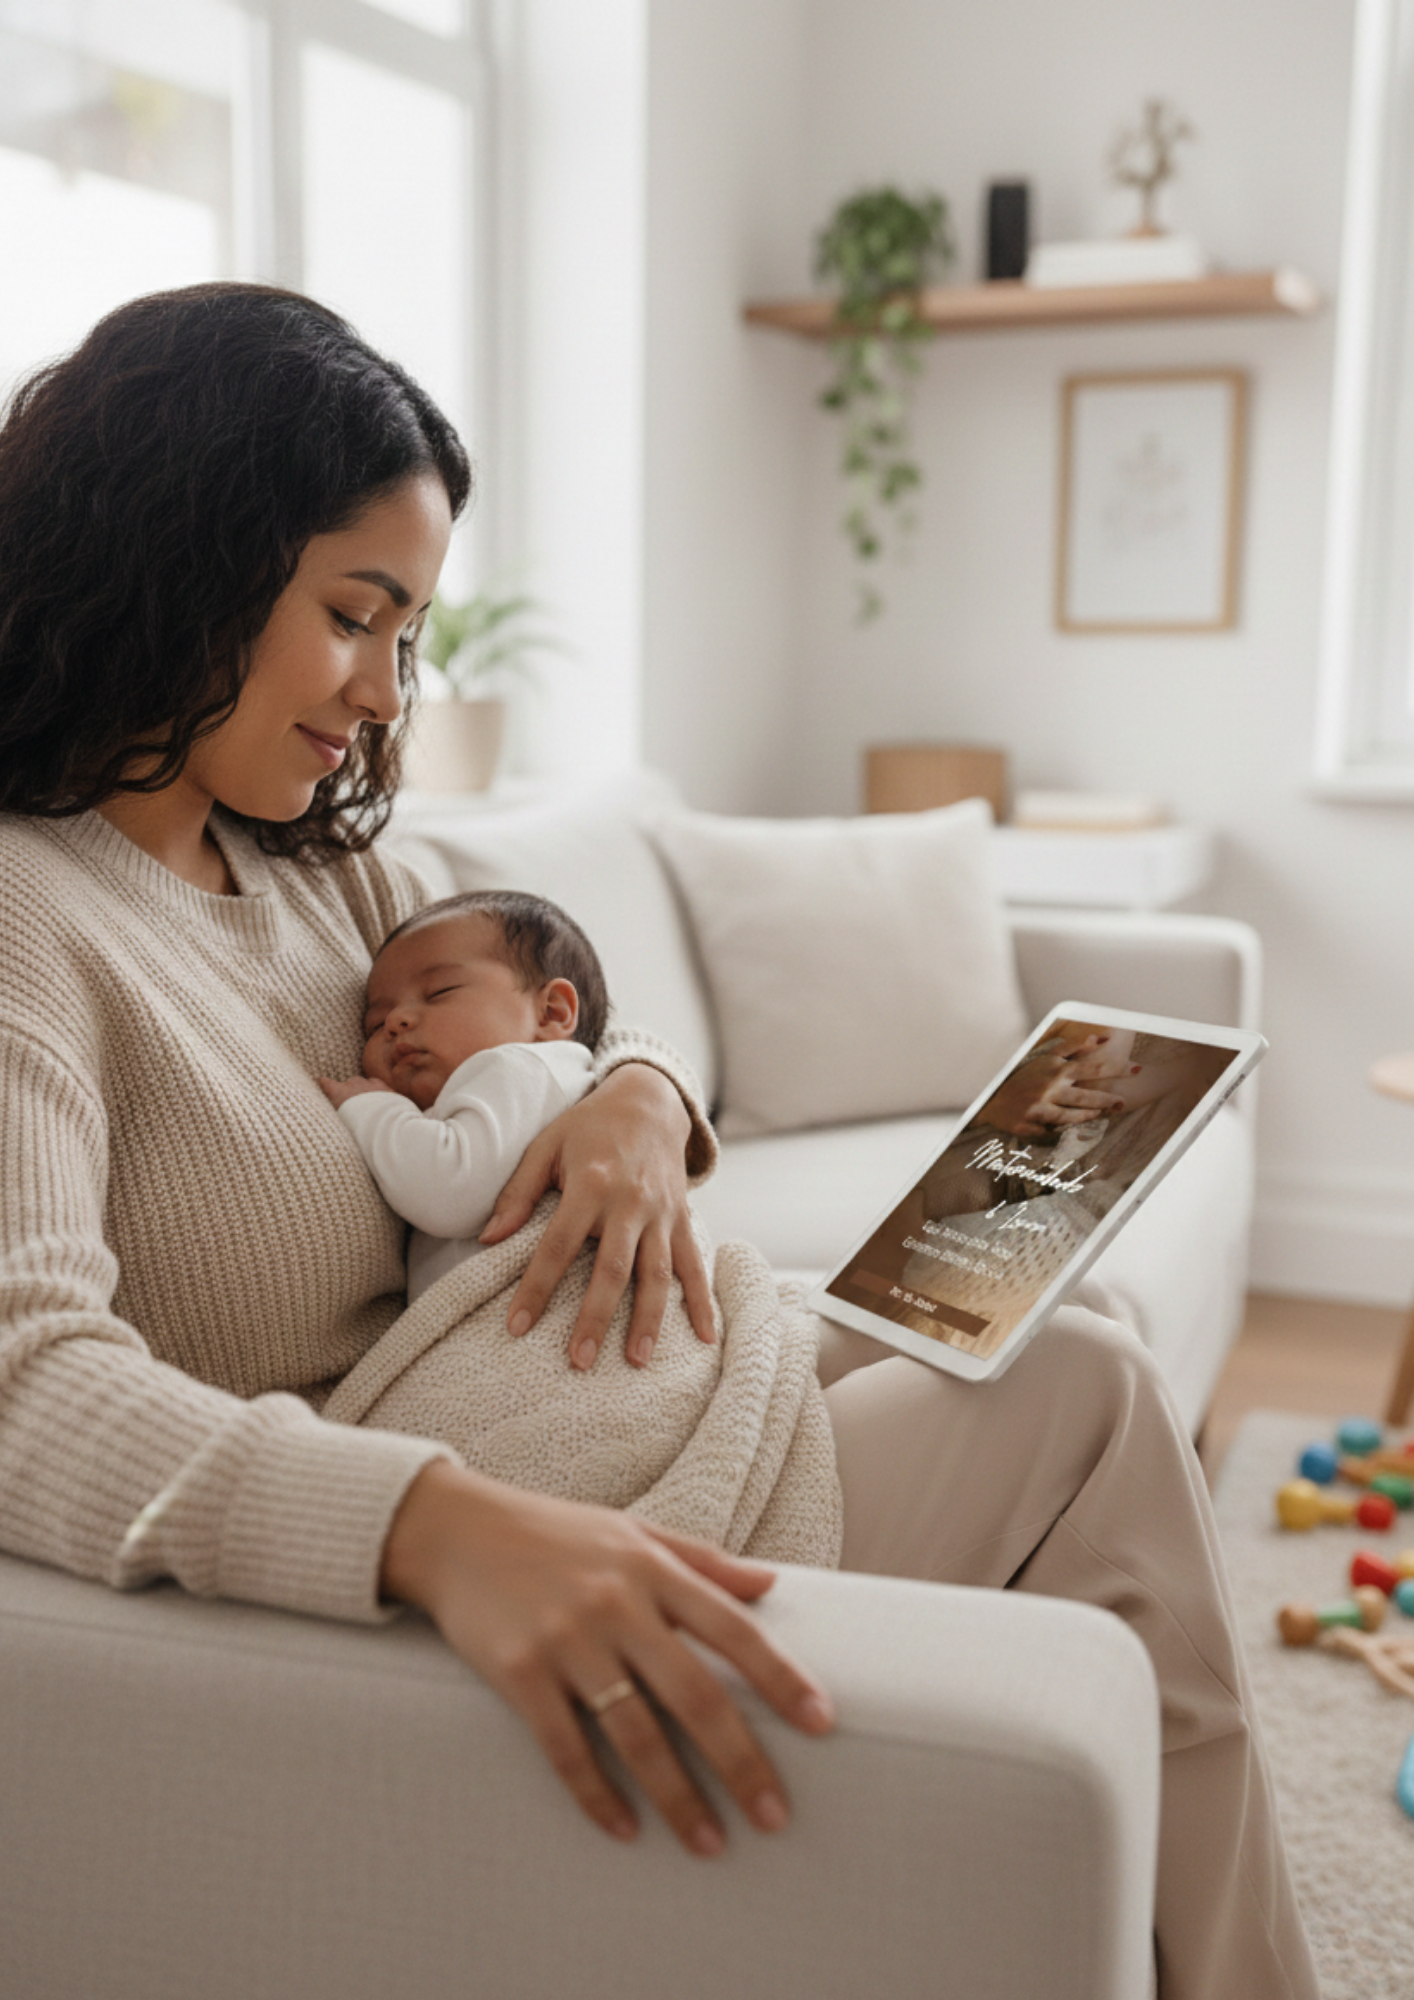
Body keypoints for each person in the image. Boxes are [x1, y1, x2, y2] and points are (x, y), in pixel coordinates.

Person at [0, 283, 1316, 1996]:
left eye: (410, 636)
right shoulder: (32, 919)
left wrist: (642, 1099)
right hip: (505, 1483)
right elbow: (26, 1376)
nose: (387, 693)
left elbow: (574, 1010)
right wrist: (430, 1530)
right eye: (355, 615)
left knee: (1039, 1310)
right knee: (1088, 1399)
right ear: (186, 549)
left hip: (621, 1379)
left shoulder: (325, 872)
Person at [319, 888, 611, 1305]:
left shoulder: (523, 1068)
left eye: (440, 992)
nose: (396, 1021)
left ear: (551, 1013)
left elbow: (448, 1191)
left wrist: (370, 1107)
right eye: (375, 1022)